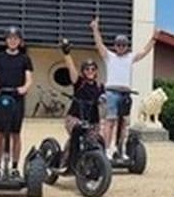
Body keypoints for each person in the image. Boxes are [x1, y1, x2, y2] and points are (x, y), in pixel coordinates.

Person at [90, 17, 156, 160]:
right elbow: (99, 45)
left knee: (124, 123)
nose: (121, 47)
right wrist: (95, 29)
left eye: (123, 45)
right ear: (115, 46)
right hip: (112, 92)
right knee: (110, 121)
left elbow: (144, 52)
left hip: (125, 93)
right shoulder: (110, 57)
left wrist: (153, 39)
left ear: (127, 46)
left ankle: (120, 150)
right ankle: (107, 149)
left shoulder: (130, 57)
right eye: (118, 44)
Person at [0, 26, 33, 179]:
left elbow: (29, 78)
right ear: (6, 40)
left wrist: (24, 87)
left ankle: (14, 168)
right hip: (1, 97)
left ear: (20, 41)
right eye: (10, 38)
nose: (13, 41)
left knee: (15, 134)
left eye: (15, 38)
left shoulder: (25, 59)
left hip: (17, 98)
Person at [56, 38, 104, 170]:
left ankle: (95, 167)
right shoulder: (79, 83)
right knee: (77, 132)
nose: (90, 71)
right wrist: (66, 54)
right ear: (83, 71)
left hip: (93, 121)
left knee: (96, 142)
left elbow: (104, 98)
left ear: (96, 72)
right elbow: (72, 70)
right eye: (87, 69)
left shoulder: (100, 87)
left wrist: (103, 100)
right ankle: (65, 163)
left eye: (92, 69)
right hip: (75, 118)